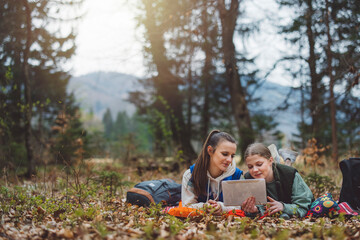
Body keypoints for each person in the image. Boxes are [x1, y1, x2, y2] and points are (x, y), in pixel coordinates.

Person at [241, 143, 313, 218]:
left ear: (270, 160)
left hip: (288, 204)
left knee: (284, 171)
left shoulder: (290, 174)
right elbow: (253, 209)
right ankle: (287, 159)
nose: (255, 170)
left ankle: (288, 159)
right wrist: (255, 210)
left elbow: (304, 207)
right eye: (250, 167)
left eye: (259, 164)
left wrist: (283, 207)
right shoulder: (248, 179)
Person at [181, 130, 243, 215]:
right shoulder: (190, 175)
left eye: (232, 156)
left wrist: (222, 207)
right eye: (225, 154)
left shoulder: (237, 176)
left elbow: (240, 205)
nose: (229, 160)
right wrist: (205, 207)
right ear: (210, 150)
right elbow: (187, 206)